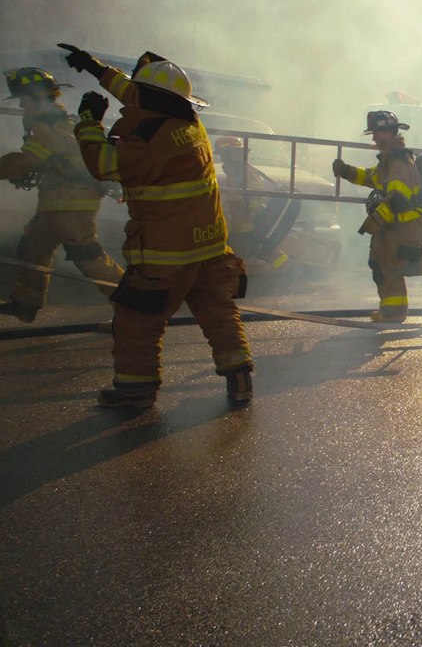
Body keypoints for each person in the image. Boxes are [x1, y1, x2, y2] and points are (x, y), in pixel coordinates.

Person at [61, 45, 253, 408]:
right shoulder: (187, 123)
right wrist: (95, 68)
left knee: (137, 319)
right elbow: (136, 93)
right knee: (218, 312)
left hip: (167, 252)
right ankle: (239, 379)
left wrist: (88, 124)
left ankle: (135, 391)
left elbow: (102, 164)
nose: (131, 95)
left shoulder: (149, 142)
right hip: (210, 245)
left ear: (149, 97)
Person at [0, 66, 125, 323]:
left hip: (72, 204)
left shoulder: (51, 129)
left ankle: (134, 307)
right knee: (34, 245)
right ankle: (26, 302)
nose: (23, 108)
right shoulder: (55, 124)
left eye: (24, 101)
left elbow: (24, 161)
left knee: (87, 256)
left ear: (36, 99)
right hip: (55, 203)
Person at [331, 110, 422, 323]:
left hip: (407, 224)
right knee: (380, 263)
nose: (373, 138)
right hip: (391, 225)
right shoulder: (387, 160)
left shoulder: (399, 160)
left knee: (401, 264)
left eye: (376, 133)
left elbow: (399, 198)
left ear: (387, 132)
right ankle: (393, 311)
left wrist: (375, 221)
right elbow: (371, 177)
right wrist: (346, 171)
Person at [215, 136, 340, 273]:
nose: (225, 159)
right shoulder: (235, 172)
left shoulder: (243, 174)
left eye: (229, 154)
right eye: (224, 155)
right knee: (264, 249)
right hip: (248, 226)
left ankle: (296, 271)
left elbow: (252, 203)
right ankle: (291, 271)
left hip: (252, 226)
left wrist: (250, 226)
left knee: (261, 248)